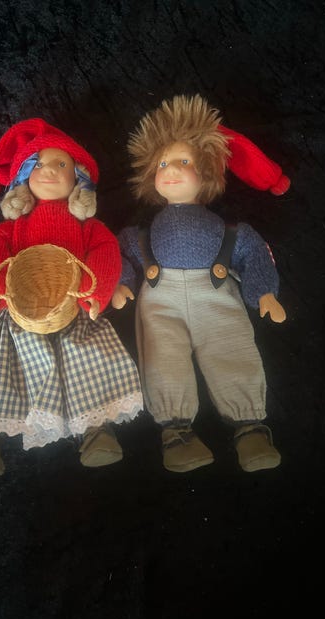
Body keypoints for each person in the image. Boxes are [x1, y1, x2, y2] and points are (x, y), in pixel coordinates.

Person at [0, 117, 143, 475]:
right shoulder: (13, 227)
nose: (49, 171)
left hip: (75, 307)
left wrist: (95, 293)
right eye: (39, 164)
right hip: (19, 311)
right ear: (23, 178)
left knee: (87, 363)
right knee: (2, 370)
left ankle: (97, 432)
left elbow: (105, 252)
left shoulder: (89, 227)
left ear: (79, 179)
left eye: (61, 165)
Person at [112, 94, 288, 473]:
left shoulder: (227, 230)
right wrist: (122, 282)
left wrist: (264, 293)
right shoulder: (144, 233)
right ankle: (176, 435)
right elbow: (122, 250)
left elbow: (251, 250)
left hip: (216, 293)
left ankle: (249, 427)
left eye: (184, 161)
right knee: (163, 357)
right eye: (163, 163)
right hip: (160, 299)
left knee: (231, 346)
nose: (171, 170)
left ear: (207, 171)